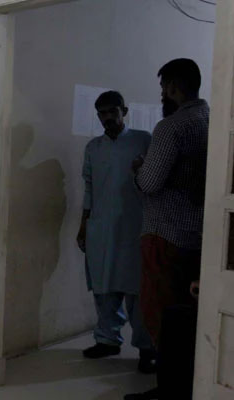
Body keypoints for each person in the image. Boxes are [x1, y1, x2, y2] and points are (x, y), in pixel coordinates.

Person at [125, 58, 209, 400]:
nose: (162, 92)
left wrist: (139, 169)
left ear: (174, 86)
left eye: (163, 86)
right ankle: (190, 384)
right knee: (188, 315)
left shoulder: (172, 127)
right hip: (199, 234)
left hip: (165, 233)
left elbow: (150, 182)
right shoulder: (210, 119)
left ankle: (169, 388)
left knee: (161, 311)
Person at [77, 91, 155, 372]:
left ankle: (147, 349)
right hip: (100, 227)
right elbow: (89, 188)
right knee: (103, 288)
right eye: (102, 114)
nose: (107, 118)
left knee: (136, 291)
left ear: (124, 111)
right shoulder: (93, 148)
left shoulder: (143, 140)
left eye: (112, 112)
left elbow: (155, 183)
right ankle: (107, 339)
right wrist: (84, 225)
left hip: (135, 228)